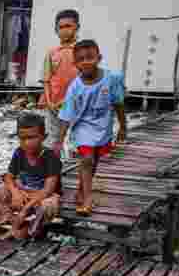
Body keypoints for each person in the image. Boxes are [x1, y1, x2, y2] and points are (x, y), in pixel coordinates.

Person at [54, 39, 127, 216]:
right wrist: (59, 140)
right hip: (82, 127)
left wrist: (123, 127)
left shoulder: (111, 80)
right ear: (75, 63)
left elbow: (118, 103)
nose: (86, 62)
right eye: (81, 59)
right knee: (87, 159)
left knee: (93, 162)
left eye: (90, 57)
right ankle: (87, 198)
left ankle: (81, 189)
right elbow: (66, 114)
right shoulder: (75, 87)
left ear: (99, 58)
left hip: (103, 127)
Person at [0, 112, 62, 239]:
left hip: (43, 196)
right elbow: (9, 177)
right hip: (24, 192)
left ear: (44, 137)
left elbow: (48, 190)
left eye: (32, 138)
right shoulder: (19, 152)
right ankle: (9, 220)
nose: (27, 143)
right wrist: (15, 192)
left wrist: (25, 209)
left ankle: (29, 229)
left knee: (47, 206)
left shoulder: (50, 157)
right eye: (23, 138)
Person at [40, 9, 81, 152]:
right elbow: (46, 79)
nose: (64, 30)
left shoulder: (82, 52)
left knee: (75, 139)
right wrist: (49, 101)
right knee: (53, 139)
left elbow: (85, 79)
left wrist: (68, 99)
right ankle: (53, 168)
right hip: (53, 104)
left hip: (76, 102)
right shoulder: (52, 53)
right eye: (61, 27)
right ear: (56, 30)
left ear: (77, 27)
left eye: (68, 26)